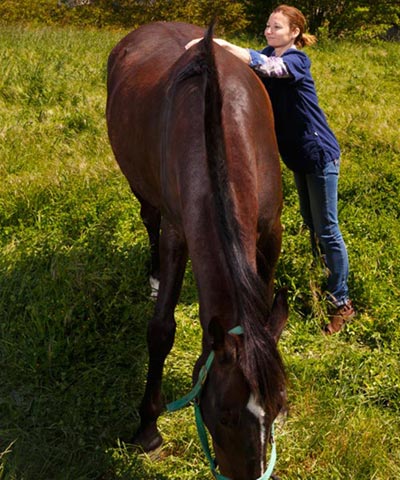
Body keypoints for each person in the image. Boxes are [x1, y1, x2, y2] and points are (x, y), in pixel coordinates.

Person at [186, 4, 355, 334]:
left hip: (318, 156)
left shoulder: (295, 61)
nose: (268, 31)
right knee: (311, 223)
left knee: (328, 229)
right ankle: (321, 278)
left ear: (294, 33)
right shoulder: (267, 52)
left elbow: (266, 65)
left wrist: (218, 43)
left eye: (276, 28)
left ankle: (342, 301)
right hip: (297, 157)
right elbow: (248, 64)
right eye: (267, 26)